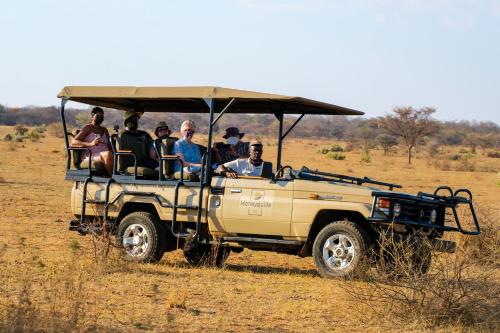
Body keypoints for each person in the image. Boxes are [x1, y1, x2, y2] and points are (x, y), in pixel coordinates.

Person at [71, 107, 113, 176]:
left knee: (115, 155)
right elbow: (74, 141)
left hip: (105, 155)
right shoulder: (88, 128)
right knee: (108, 154)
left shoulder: (104, 129)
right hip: (91, 156)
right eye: (98, 116)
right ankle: (113, 178)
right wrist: (90, 144)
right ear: (93, 116)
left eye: (102, 116)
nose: (100, 118)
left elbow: (109, 145)